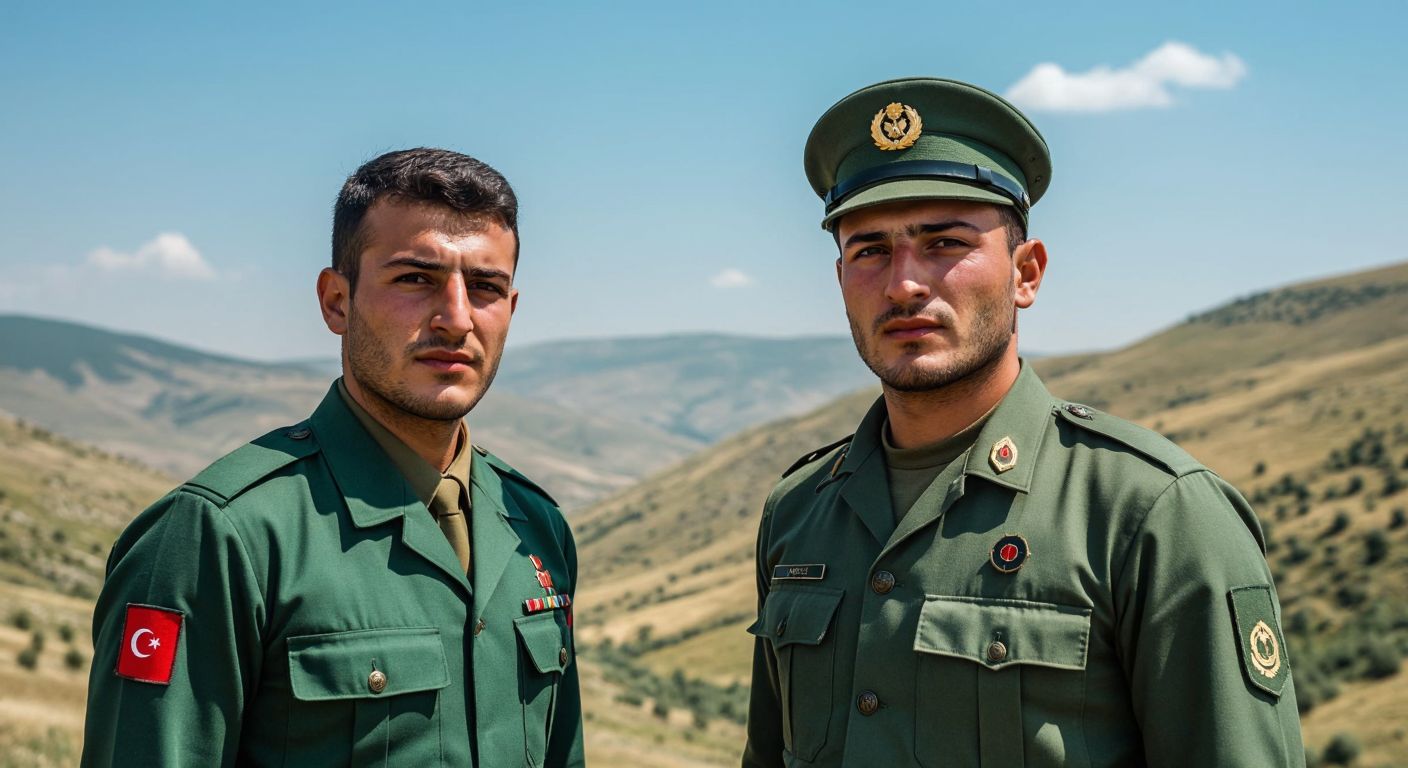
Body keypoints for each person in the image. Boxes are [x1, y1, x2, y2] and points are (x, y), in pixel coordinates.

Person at [743, 78, 1304, 767]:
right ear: (840, 282)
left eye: (944, 242)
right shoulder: (800, 510)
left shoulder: (1155, 514)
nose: (903, 284)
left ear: (1026, 272)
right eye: (871, 250)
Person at [82, 148, 584, 767]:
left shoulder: (536, 527)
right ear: (336, 302)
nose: (456, 319)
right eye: (415, 279)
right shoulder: (223, 536)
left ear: (510, 310)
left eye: (485, 287)